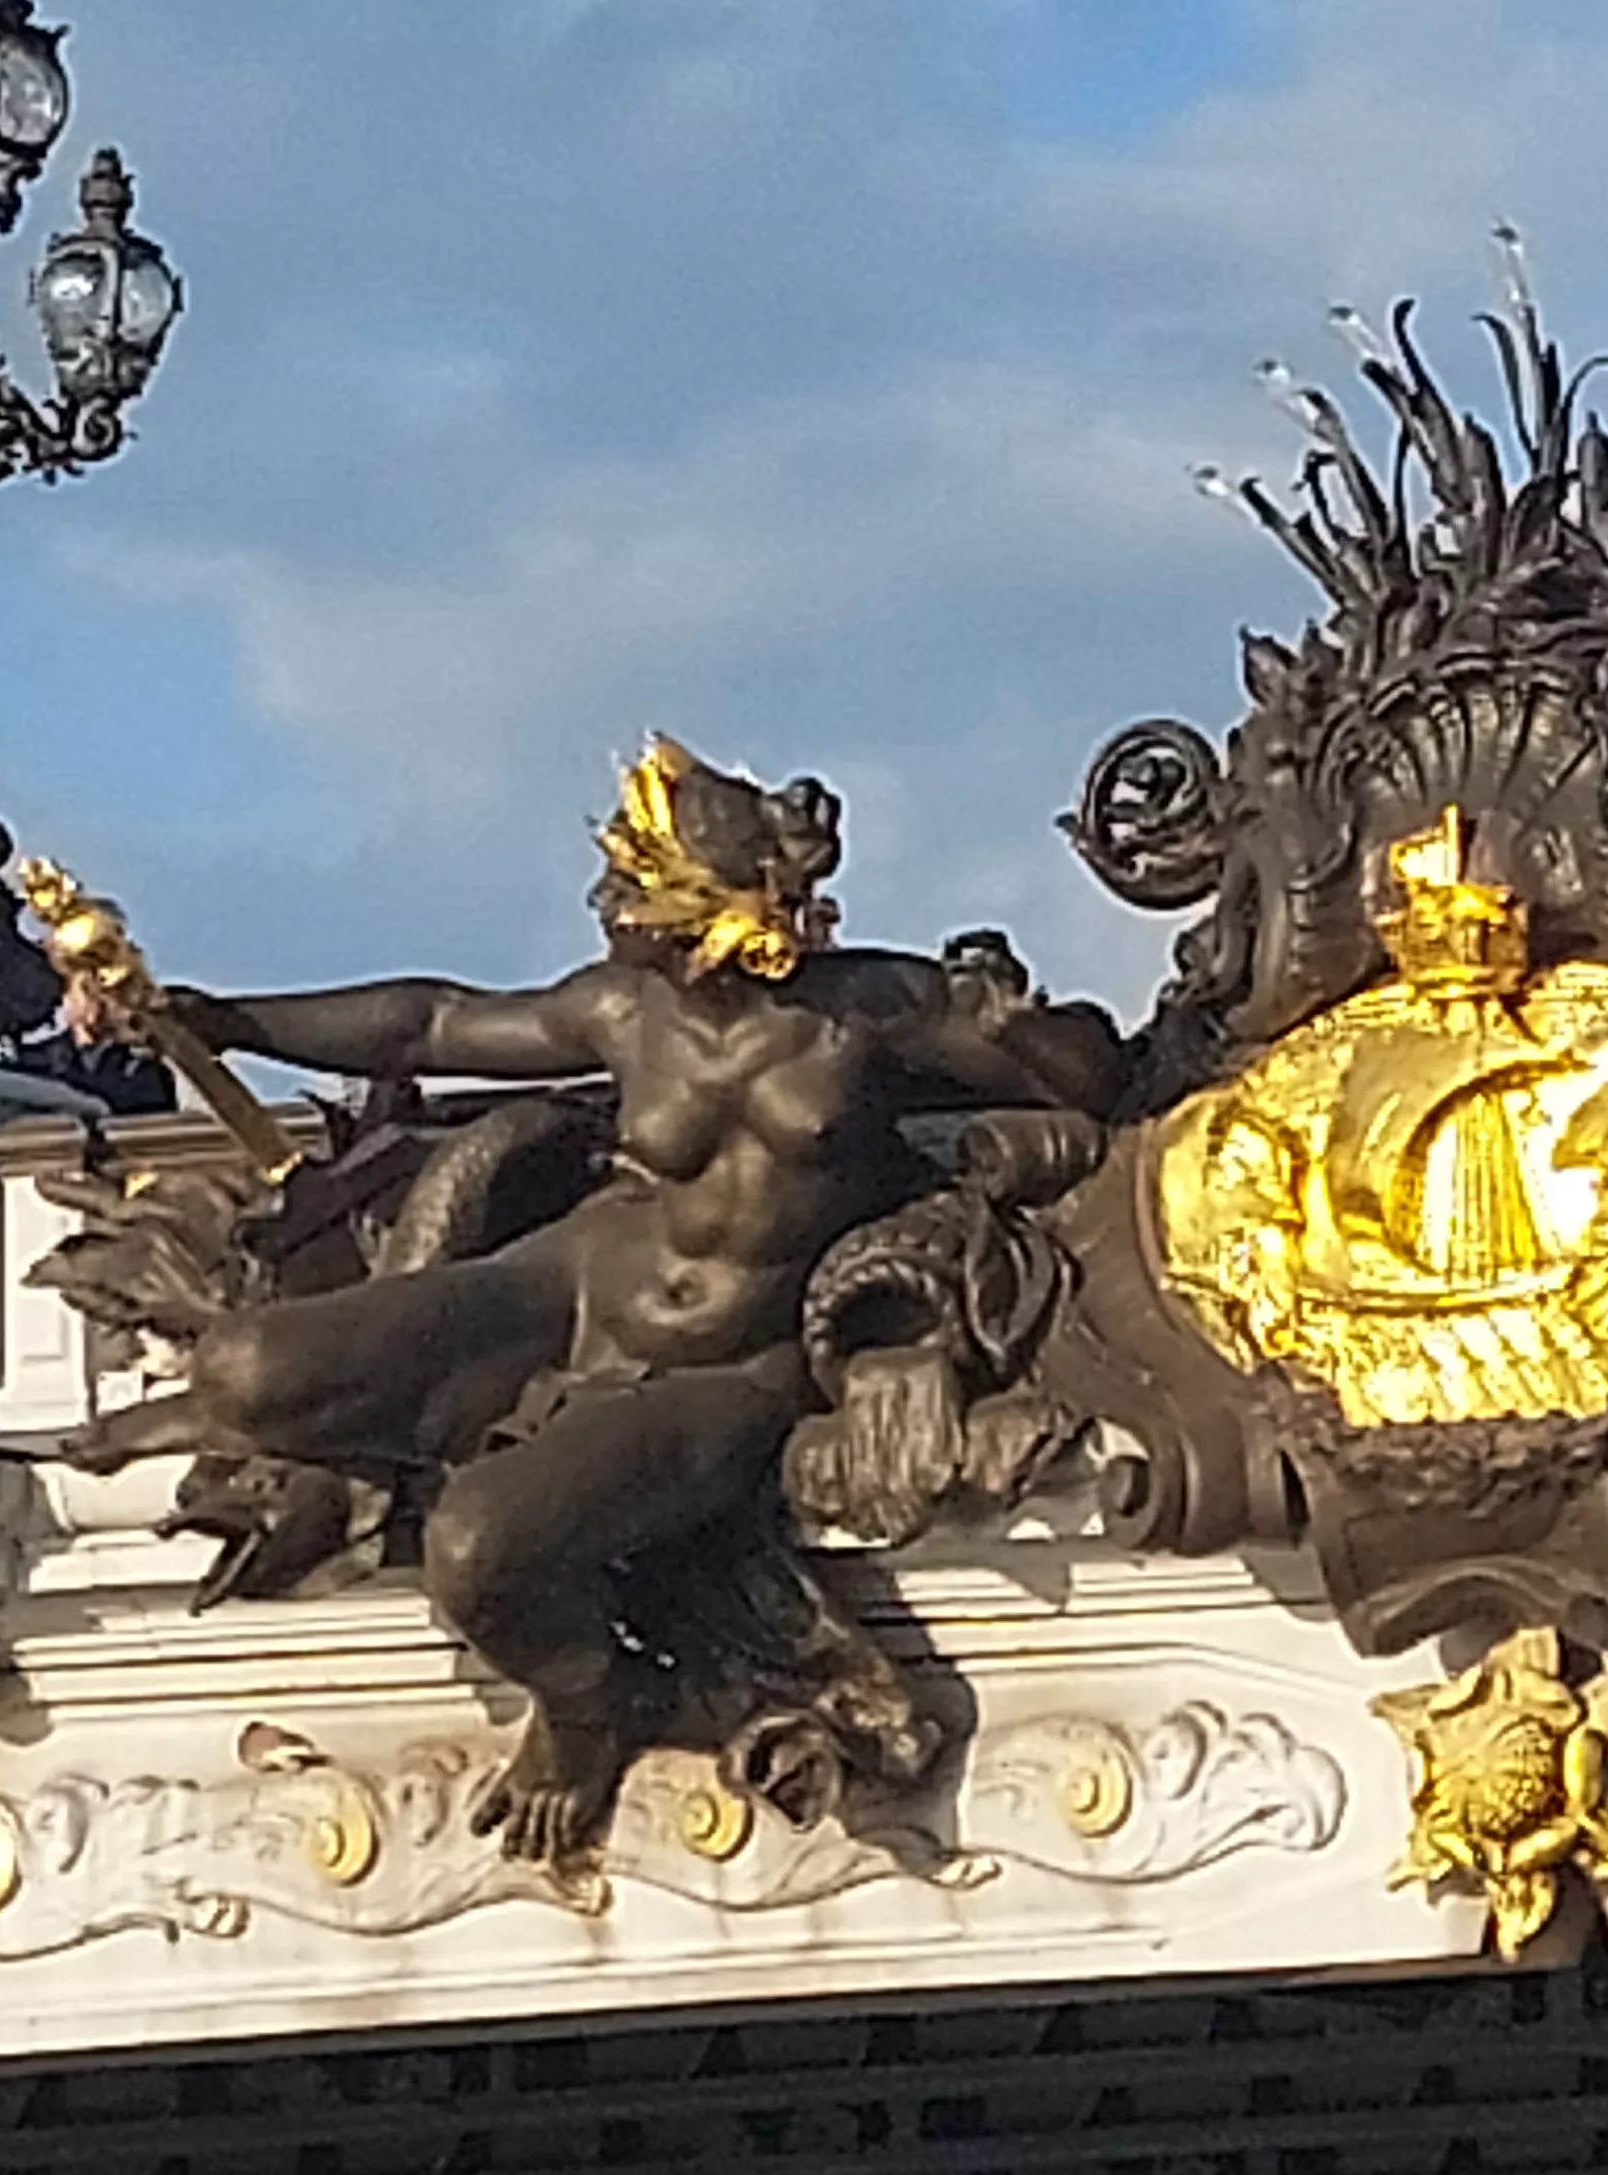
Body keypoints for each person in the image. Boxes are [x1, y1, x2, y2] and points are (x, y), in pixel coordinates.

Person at [62, 738, 1122, 1863]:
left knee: (481, 1546)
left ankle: (588, 1705)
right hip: (564, 1290)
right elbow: (431, 1024)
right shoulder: (626, 1009)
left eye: (629, 888)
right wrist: (222, 1021)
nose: (604, 906)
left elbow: (1093, 1086)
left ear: (704, 911)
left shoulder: (872, 1009)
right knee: (244, 1369)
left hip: (729, 1369)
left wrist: (1018, 1030)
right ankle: (336, 1433)